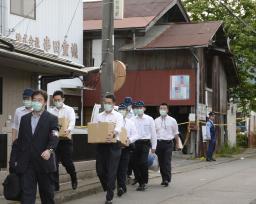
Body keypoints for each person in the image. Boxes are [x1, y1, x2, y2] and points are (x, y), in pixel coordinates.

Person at [9, 90, 59, 204]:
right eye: (34, 100)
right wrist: (13, 160)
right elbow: (19, 141)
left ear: (45, 102)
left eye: (39, 100)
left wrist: (49, 150)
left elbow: (55, 136)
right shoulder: (25, 119)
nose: (36, 102)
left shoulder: (51, 118)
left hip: (44, 163)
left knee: (47, 195)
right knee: (27, 196)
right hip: (27, 164)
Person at [94, 93, 124, 204]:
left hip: (114, 146)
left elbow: (118, 128)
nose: (106, 104)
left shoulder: (118, 116)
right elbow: (95, 128)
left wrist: (112, 133)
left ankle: (109, 197)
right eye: (105, 103)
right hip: (101, 145)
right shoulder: (99, 116)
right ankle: (109, 187)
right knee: (100, 171)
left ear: (113, 104)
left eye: (109, 103)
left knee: (111, 171)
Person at [48, 90, 77, 191]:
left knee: (67, 162)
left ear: (63, 99)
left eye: (59, 100)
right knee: (54, 163)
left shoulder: (69, 110)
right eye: (55, 100)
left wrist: (67, 130)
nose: (57, 102)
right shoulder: (51, 111)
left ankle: (74, 177)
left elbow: (72, 122)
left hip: (66, 140)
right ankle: (56, 186)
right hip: (55, 141)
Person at [132, 101, 157, 191]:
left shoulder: (149, 119)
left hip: (145, 143)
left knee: (143, 162)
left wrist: (154, 146)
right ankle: (140, 182)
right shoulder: (132, 119)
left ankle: (144, 182)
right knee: (135, 164)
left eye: (141, 108)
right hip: (135, 143)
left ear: (144, 108)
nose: (139, 109)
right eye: (137, 108)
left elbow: (153, 133)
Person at [155, 103, 180, 187]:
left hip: (168, 143)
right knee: (161, 162)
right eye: (161, 108)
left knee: (167, 161)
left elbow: (176, 133)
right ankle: (163, 178)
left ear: (167, 110)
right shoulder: (156, 120)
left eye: (164, 108)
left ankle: (167, 179)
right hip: (159, 143)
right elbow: (153, 134)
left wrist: (177, 144)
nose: (162, 110)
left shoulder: (172, 120)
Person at [116, 103, 138, 197]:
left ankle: (121, 187)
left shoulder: (130, 123)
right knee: (115, 168)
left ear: (127, 111)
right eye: (120, 110)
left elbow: (136, 135)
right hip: (115, 148)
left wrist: (129, 140)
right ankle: (121, 186)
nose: (122, 112)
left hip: (126, 148)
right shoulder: (114, 122)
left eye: (123, 110)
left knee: (122, 168)